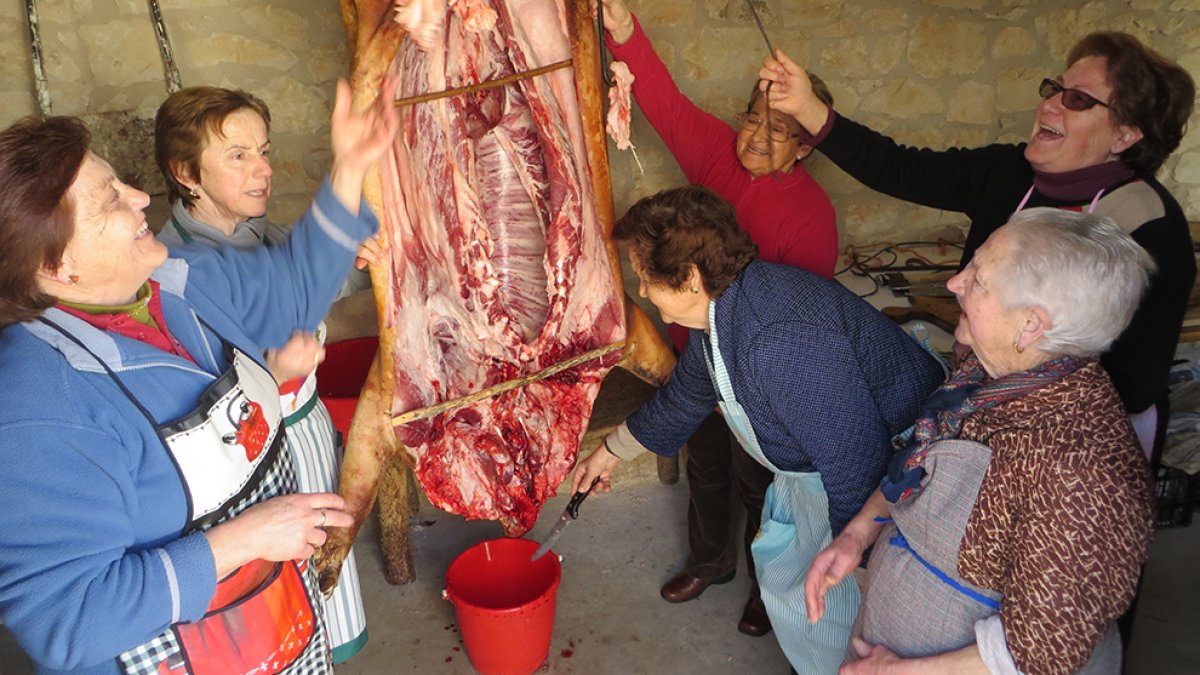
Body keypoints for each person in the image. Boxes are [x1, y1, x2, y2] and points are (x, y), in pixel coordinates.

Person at [0, 74, 398, 675]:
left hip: (273, 630)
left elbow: (294, 289)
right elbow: (68, 620)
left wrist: (351, 168)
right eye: (111, 197)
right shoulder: (37, 403)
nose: (140, 197)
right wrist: (243, 540)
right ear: (57, 264)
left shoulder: (175, 279)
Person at [758, 32, 1195, 460]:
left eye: (1077, 100)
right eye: (1053, 89)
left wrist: (1006, 383)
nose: (1048, 104)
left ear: (1124, 136)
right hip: (987, 403)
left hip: (1078, 443)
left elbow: (1134, 381)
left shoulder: (1148, 226)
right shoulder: (1008, 173)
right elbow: (899, 168)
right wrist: (807, 108)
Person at [571, 185, 945, 672]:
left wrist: (866, 575)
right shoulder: (729, 306)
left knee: (845, 623)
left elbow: (856, 464)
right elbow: (686, 395)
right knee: (803, 600)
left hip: (880, 482)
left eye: (644, 277)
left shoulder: (778, 341)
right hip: (825, 476)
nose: (640, 290)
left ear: (688, 278)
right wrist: (610, 452)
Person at [804, 208, 1156, 674]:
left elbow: (1042, 655)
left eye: (979, 277)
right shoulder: (986, 375)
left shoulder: (1083, 475)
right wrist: (857, 533)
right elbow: (919, 464)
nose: (955, 282)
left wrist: (895, 671)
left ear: (1030, 326)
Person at [601, 0, 839, 636]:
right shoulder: (719, 160)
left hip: (761, 379)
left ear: (807, 148)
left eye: (778, 131)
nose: (756, 138)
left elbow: (795, 322)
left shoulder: (811, 213)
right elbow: (667, 104)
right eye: (752, 120)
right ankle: (712, 562)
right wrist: (624, 30)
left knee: (758, 481)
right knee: (705, 465)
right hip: (694, 363)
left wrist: (738, 385)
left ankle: (769, 584)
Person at [154, 86, 371, 663]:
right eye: (238, 156)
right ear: (185, 173)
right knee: (281, 605)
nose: (264, 170)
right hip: (253, 465)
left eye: (264, 151)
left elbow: (310, 285)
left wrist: (352, 259)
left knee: (331, 569)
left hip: (308, 430)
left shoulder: (261, 233)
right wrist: (272, 378)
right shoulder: (176, 270)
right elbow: (190, 412)